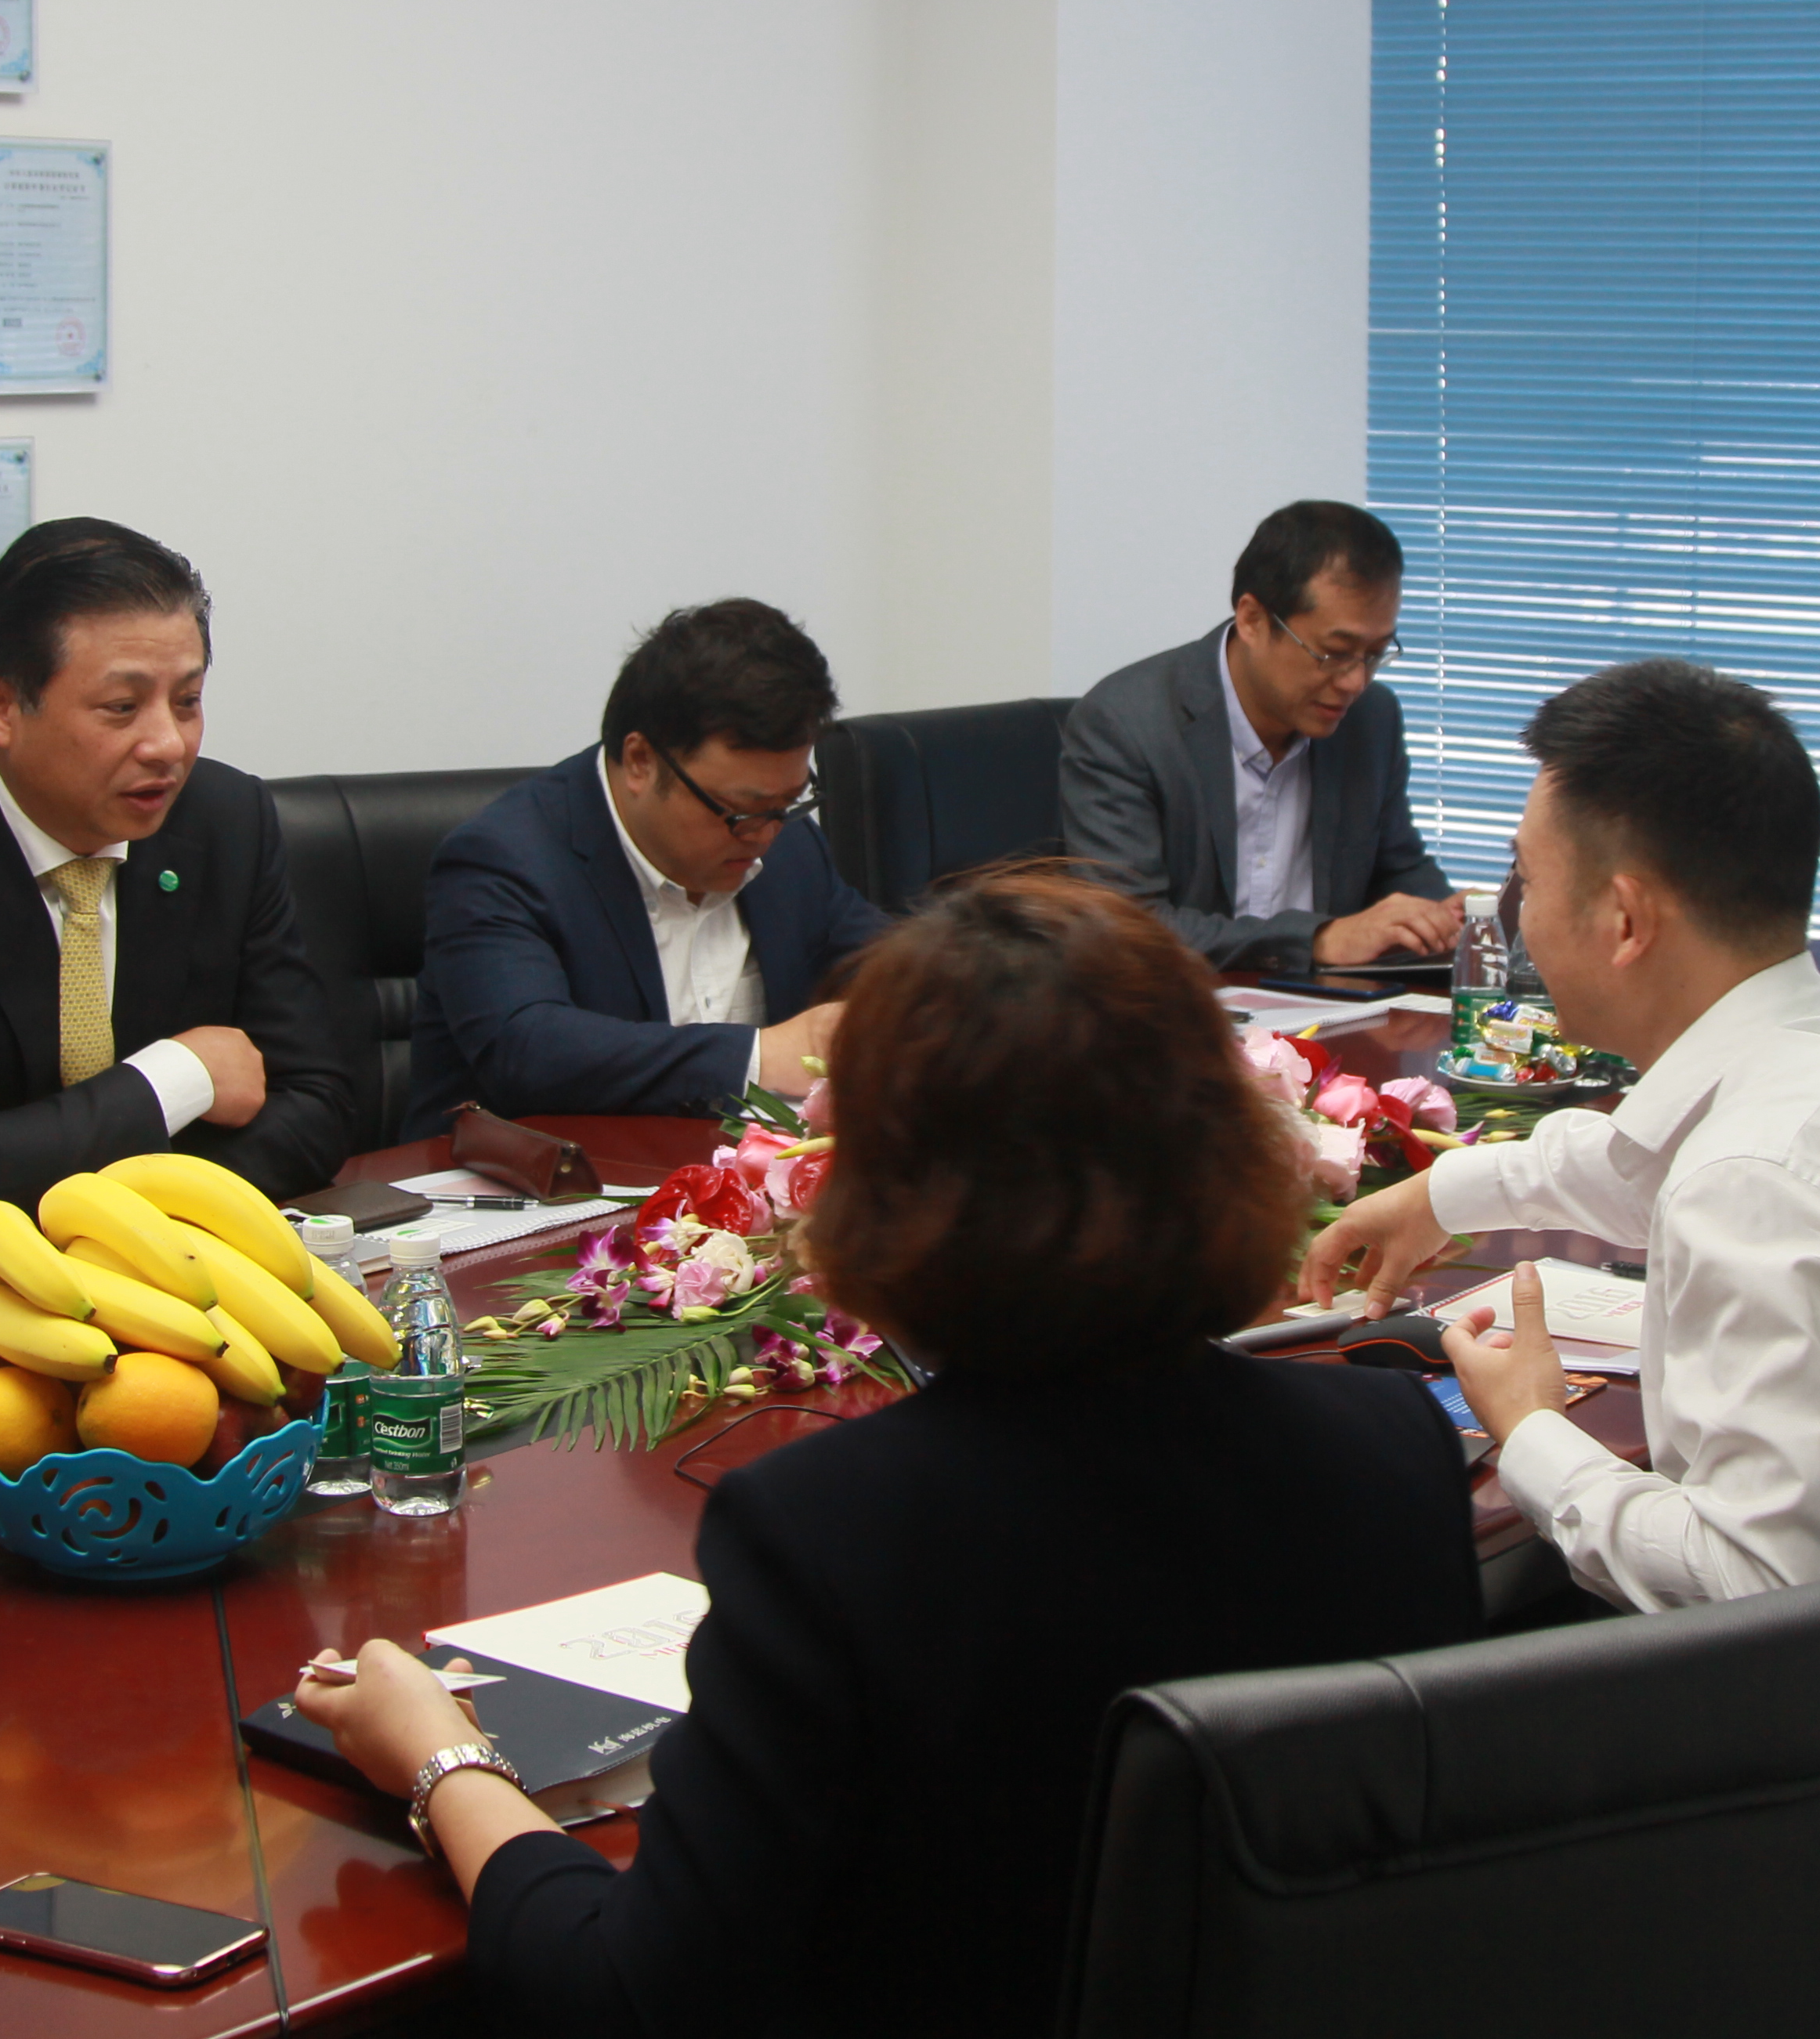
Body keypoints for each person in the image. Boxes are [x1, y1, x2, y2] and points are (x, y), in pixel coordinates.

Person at [300, 871, 1481, 2037]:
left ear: (889, 1191)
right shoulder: (1390, 1449)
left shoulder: (832, 1532)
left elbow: (630, 1997)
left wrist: (445, 1761)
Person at [1308, 658, 1820, 1611]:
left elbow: (1753, 1586)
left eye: (1528, 882)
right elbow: (1651, 1162)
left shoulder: (1757, 1180)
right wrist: (1442, 1193)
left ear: (1625, 920)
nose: (1519, 918)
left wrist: (1533, 1432)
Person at [0, 518, 352, 1279]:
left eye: (187, 701)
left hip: (171, 1272)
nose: (168, 744)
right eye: (121, 707)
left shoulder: (227, 823)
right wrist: (178, 1076)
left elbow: (316, 1108)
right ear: (0, 707)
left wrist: (129, 1221)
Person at [408, 598, 888, 1141]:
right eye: (741, 810)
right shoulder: (501, 859)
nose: (764, 835)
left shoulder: (786, 841)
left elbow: (881, 962)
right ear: (640, 761)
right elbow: (527, 1050)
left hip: (732, 1177)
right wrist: (759, 1056)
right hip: (538, 1180)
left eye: (789, 801)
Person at [1060, 499, 1459, 974]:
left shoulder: (1372, 719)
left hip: (1331, 1004)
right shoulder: (1127, 725)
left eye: (1375, 654)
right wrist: (1316, 940)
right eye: (1334, 653)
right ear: (1252, 619)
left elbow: (1396, 869)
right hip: (1187, 1004)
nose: (1355, 682)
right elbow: (1126, 928)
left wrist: (1450, 918)